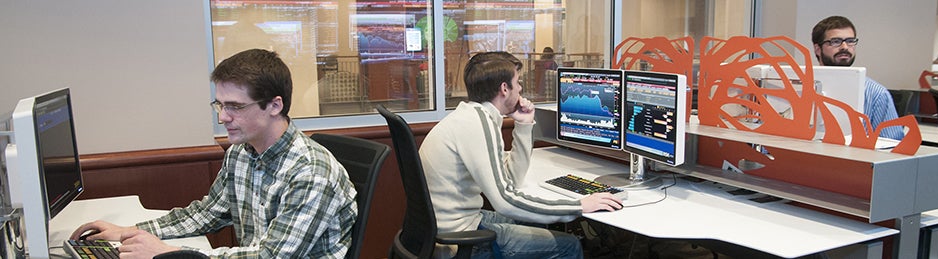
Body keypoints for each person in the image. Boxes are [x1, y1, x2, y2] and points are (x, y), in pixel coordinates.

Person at [69, 49, 358, 258]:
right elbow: (206, 214)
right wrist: (128, 231)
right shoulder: (241, 154)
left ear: (274, 105)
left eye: (235, 107)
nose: (222, 117)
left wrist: (169, 254)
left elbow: (272, 257)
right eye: (219, 105)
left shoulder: (311, 172)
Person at [419, 51, 624, 258]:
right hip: (459, 240)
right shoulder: (477, 124)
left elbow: (511, 180)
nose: (520, 89)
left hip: (450, 226)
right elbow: (505, 201)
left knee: (529, 220)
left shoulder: (472, 116)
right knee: (569, 246)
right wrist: (578, 206)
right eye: (518, 83)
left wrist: (524, 125)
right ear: (504, 88)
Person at [811, 15, 904, 140]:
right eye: (836, 42)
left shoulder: (876, 93)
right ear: (817, 49)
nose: (844, 47)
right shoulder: (800, 86)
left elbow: (892, 146)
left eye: (850, 41)